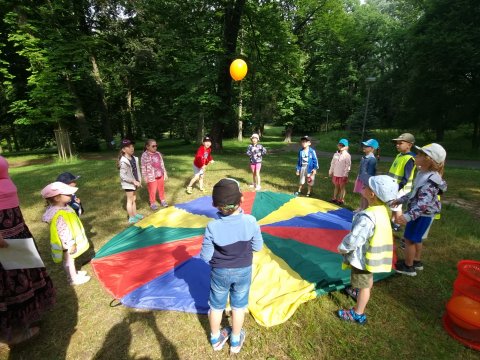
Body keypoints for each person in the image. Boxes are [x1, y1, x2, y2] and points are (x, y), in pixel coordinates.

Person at [200, 178, 263, 354]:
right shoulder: (251, 221)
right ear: (242, 199)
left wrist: (217, 261)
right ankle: (235, 341)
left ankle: (215, 339)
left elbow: (205, 256)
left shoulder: (212, 226)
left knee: (216, 306)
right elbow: (258, 247)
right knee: (238, 306)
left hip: (219, 272)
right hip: (243, 271)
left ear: (214, 204)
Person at [0, 156, 55, 346]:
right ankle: (13, 331)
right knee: (9, 276)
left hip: (13, 221)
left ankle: (23, 320)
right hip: (2, 228)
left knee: (22, 268)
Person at [337, 175, 398, 324]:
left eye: (366, 186)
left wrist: (343, 248)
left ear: (372, 194)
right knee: (365, 281)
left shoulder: (368, 216)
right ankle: (356, 290)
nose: (362, 187)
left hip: (363, 258)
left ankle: (358, 313)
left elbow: (355, 238)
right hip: (371, 256)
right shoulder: (383, 210)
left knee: (365, 285)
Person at [393, 143, 447, 276]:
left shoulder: (430, 180)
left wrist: (407, 216)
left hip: (421, 215)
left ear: (428, 159)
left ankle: (408, 266)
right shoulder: (423, 173)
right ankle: (416, 261)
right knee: (416, 238)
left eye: (419, 155)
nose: (415, 156)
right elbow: (414, 193)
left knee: (409, 239)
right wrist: (401, 199)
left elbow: (423, 203)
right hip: (421, 214)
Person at [41, 182, 91, 286]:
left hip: (68, 240)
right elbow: (63, 231)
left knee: (70, 259)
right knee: (69, 260)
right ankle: (73, 279)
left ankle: (73, 274)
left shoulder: (63, 207)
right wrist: (71, 243)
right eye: (67, 194)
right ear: (57, 198)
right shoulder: (59, 214)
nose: (71, 195)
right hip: (67, 242)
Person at [388, 133, 416, 231]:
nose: (397, 145)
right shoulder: (399, 155)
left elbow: (406, 177)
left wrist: (398, 188)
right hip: (394, 186)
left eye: (401, 143)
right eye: (397, 143)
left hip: (401, 188)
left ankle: (398, 224)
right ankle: (392, 220)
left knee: (397, 207)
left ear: (409, 145)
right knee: (394, 205)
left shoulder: (410, 159)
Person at [118, 139, 143, 224]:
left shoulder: (134, 158)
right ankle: (131, 217)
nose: (132, 148)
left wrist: (139, 180)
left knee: (134, 199)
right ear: (123, 150)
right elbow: (123, 176)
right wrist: (133, 181)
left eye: (132, 146)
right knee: (130, 200)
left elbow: (137, 171)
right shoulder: (123, 161)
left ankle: (135, 214)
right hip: (128, 184)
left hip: (135, 183)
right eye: (128, 147)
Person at [141, 139, 168, 210]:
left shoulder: (158, 153)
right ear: (147, 147)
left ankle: (162, 200)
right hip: (151, 176)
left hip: (160, 174)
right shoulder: (145, 155)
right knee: (152, 190)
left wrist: (164, 173)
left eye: (156, 146)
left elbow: (162, 164)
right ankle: (152, 203)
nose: (155, 147)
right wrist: (145, 176)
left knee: (161, 188)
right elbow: (143, 167)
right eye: (153, 146)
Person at [353, 139, 379, 211]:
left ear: (372, 148)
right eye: (364, 146)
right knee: (362, 194)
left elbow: (370, 172)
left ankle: (364, 209)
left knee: (365, 195)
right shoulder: (364, 157)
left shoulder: (372, 159)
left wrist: (367, 183)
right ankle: (361, 207)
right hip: (361, 178)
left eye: (367, 146)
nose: (364, 147)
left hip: (366, 181)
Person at [328, 138, 351, 205]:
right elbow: (332, 163)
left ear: (346, 147)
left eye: (343, 145)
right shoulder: (335, 154)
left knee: (342, 187)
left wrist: (345, 175)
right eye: (340, 145)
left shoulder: (347, 155)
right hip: (336, 174)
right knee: (336, 186)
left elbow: (348, 166)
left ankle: (341, 199)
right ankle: (334, 198)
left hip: (342, 175)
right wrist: (330, 171)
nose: (341, 146)